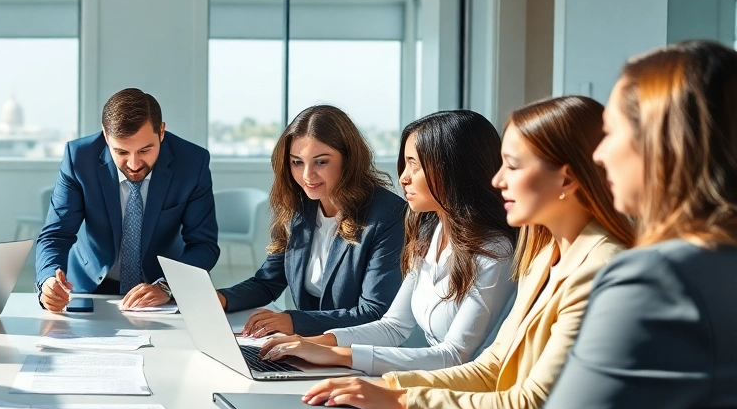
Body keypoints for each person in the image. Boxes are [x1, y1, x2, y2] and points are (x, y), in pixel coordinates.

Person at [336, 41, 737, 409]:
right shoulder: (707, 266)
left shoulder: (657, 281)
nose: (599, 156)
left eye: (613, 134)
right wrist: (398, 400)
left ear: (662, 145)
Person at [302, 97, 631, 409]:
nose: (498, 180)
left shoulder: (595, 267)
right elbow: (492, 368)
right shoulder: (543, 254)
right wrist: (384, 387)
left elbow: (529, 403)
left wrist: (397, 400)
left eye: (512, 166)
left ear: (567, 178)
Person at [255, 110, 516, 374]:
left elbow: (453, 357)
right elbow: (392, 326)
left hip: (465, 395)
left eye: (416, 164)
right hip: (431, 382)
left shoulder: (494, 251)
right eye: (405, 163)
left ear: (457, 169)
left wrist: (336, 355)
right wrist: (311, 344)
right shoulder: (430, 233)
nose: (404, 176)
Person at [218, 105, 406, 337]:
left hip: (359, 352)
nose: (307, 175)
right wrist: (220, 299)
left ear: (348, 159)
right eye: (297, 162)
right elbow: (267, 282)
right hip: (308, 346)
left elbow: (374, 312)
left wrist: (294, 322)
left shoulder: (387, 214)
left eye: (321, 162)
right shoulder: (300, 206)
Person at [35, 88, 219, 312]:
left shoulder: (192, 163)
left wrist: (167, 286)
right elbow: (56, 234)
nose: (134, 164)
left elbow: (203, 244)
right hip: (86, 289)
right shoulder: (79, 159)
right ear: (106, 136)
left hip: (159, 292)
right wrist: (47, 282)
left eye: (145, 150)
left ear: (161, 131)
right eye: (121, 152)